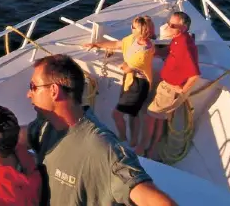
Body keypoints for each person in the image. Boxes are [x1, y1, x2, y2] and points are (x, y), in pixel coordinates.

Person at [17, 54, 178, 206]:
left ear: (54, 91)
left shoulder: (103, 149)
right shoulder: (46, 126)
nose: (28, 94)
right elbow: (19, 136)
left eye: (33, 87)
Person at [82, 15, 155, 146]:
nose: (131, 27)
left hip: (138, 86)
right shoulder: (133, 39)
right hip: (131, 81)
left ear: (139, 31)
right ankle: (133, 140)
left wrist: (120, 65)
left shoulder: (144, 53)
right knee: (134, 113)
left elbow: (126, 68)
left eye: (132, 26)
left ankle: (123, 139)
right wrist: (97, 44)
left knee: (117, 114)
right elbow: (117, 44)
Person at [138, 12, 200, 158]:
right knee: (159, 119)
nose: (167, 27)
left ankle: (142, 148)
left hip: (170, 89)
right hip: (167, 85)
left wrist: (182, 91)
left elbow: (195, 75)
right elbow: (169, 51)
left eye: (172, 25)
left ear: (183, 28)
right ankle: (152, 149)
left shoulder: (185, 45)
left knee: (150, 117)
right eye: (168, 22)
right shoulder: (178, 39)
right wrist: (154, 52)